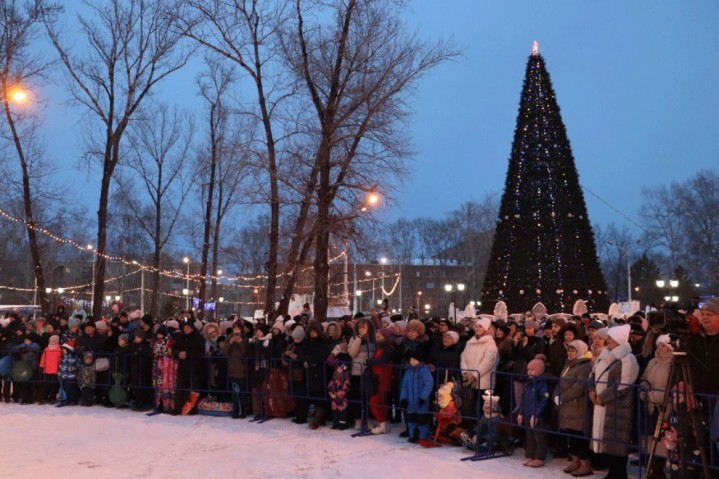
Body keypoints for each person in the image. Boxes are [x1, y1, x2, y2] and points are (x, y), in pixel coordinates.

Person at [589, 324, 640, 479]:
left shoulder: (628, 359)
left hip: (618, 407)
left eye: (610, 338)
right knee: (606, 440)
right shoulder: (605, 355)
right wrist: (592, 391)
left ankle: (618, 473)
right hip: (601, 405)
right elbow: (593, 374)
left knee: (617, 442)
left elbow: (623, 384)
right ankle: (612, 471)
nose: (607, 340)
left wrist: (602, 397)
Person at [555, 339, 593, 476]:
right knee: (571, 435)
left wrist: (563, 397)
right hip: (567, 405)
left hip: (577, 405)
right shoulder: (568, 365)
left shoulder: (585, 366)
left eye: (573, 350)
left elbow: (579, 387)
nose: (570, 352)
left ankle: (585, 464)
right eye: (569, 349)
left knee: (579, 436)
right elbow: (561, 382)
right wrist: (556, 394)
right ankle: (575, 461)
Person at [460, 316, 498, 419]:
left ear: (486, 328)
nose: (477, 328)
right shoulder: (470, 342)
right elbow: (463, 357)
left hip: (483, 382)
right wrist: (465, 372)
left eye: (480, 326)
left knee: (481, 407)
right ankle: (471, 426)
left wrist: (475, 374)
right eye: (476, 326)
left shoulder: (490, 343)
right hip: (469, 380)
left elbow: (488, 362)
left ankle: (480, 428)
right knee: (469, 406)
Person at [518, 358, 550, 468]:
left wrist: (536, 415)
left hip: (537, 416)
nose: (530, 372)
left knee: (539, 437)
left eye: (533, 370)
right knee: (529, 437)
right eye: (528, 369)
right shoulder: (528, 384)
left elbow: (543, 400)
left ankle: (539, 458)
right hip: (527, 414)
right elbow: (523, 399)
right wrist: (521, 412)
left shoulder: (542, 384)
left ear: (540, 371)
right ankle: (530, 455)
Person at [399, 349, 434, 444]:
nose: (412, 362)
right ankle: (413, 435)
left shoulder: (424, 370)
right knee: (411, 418)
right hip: (410, 401)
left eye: (414, 360)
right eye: (411, 360)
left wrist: (423, 397)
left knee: (422, 419)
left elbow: (429, 384)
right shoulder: (408, 371)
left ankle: (422, 436)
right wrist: (403, 398)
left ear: (420, 361)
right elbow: (404, 386)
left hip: (421, 401)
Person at [38, 334, 62, 404]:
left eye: (54, 340)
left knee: (53, 386)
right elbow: (43, 359)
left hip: (55, 370)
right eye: (51, 340)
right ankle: (44, 398)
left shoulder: (59, 350)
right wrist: (41, 366)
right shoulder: (46, 349)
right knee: (46, 385)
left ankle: (52, 398)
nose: (52, 342)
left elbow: (60, 360)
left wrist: (60, 368)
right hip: (47, 370)